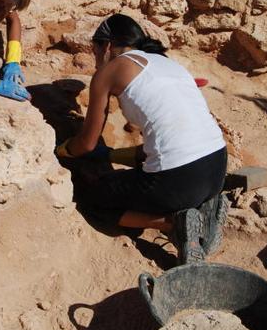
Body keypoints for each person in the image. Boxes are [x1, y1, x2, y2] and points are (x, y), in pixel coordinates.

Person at [55, 13, 228, 264]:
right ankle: (201, 207)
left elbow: (86, 144)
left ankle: (173, 223)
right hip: (216, 168)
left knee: (91, 198)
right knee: (156, 166)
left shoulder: (109, 72)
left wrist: (63, 150)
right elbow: (162, 144)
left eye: (95, 51)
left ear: (108, 46)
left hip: (178, 180)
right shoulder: (165, 63)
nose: (95, 61)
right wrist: (111, 155)